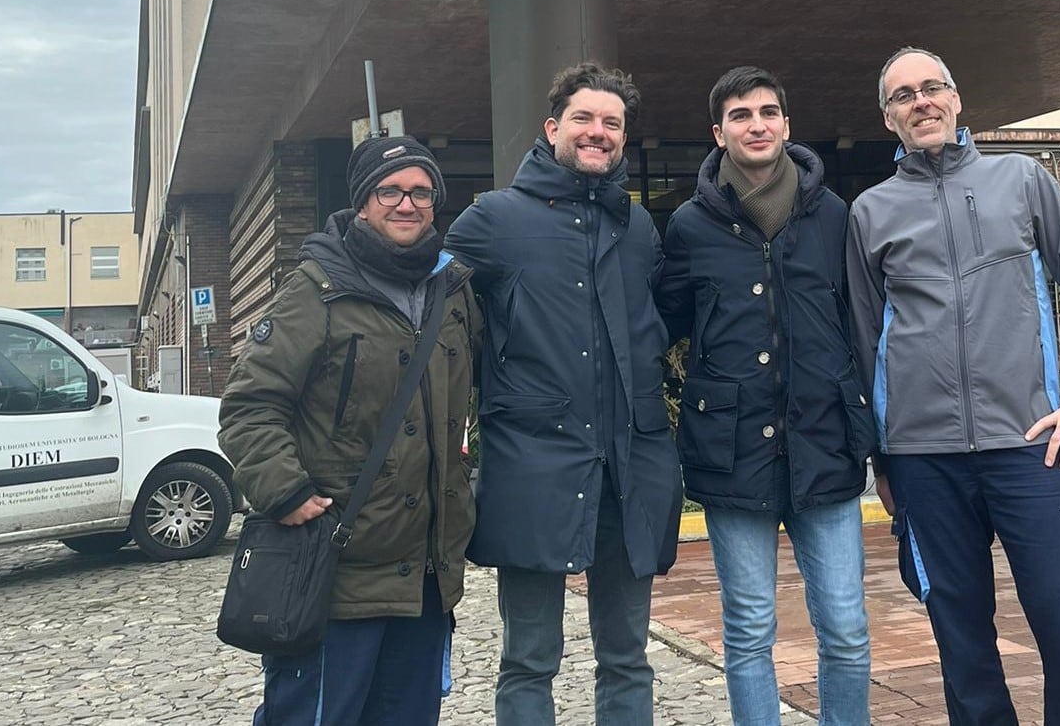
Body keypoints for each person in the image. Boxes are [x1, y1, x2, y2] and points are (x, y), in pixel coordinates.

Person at [847, 47, 1060, 726]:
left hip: (1032, 446)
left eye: (932, 87)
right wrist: (881, 457)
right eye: (904, 95)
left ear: (957, 97)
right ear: (889, 117)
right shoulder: (870, 211)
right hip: (923, 462)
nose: (922, 101)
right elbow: (861, 344)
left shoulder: (1022, 180)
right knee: (962, 642)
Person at [445, 61, 682, 726]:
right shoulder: (493, 219)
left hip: (629, 473)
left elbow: (660, 322)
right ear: (553, 127)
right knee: (529, 657)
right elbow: (428, 317)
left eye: (611, 122)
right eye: (583, 118)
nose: (597, 132)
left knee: (628, 656)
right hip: (532, 469)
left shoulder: (638, 230)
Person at [219, 135, 482, 726]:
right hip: (336, 565)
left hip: (425, 572)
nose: (406, 204)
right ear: (362, 202)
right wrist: (282, 490)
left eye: (421, 192)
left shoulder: (454, 293)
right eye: (390, 190)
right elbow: (249, 405)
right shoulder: (317, 290)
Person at [657, 65, 874, 726]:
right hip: (731, 456)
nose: (757, 123)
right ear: (718, 132)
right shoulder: (690, 226)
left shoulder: (834, 214)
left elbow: (862, 320)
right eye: (741, 114)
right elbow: (659, 325)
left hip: (825, 446)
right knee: (749, 629)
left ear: (786, 124)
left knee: (846, 626)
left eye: (768, 111)